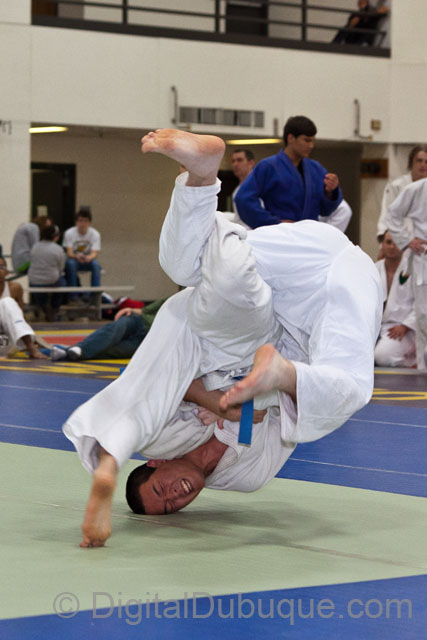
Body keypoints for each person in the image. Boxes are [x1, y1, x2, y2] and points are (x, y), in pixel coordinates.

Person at [62, 129, 381, 548]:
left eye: (161, 491)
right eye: (172, 508)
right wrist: (257, 398)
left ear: (154, 464)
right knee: (352, 385)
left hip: (295, 266)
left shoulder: (166, 439)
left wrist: (212, 401)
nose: (175, 497)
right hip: (319, 309)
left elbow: (149, 386)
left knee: (201, 276)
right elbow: (282, 420)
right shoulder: (246, 476)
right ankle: (281, 373)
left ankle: (201, 176)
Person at [234, 116, 342, 228]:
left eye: (313, 141)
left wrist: (330, 192)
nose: (311, 146)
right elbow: (243, 199)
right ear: (291, 138)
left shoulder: (316, 169)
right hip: (280, 233)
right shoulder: (268, 166)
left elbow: (325, 210)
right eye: (306, 140)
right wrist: (272, 222)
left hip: (309, 233)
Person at [386, 178, 427, 369]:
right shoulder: (417, 189)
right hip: (423, 257)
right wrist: (407, 239)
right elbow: (392, 213)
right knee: (424, 317)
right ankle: (424, 370)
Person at [51, 299, 166, 361]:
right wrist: (131, 310)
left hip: (148, 341)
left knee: (113, 351)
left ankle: (68, 352)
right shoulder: (173, 299)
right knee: (113, 331)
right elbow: (145, 310)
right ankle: (76, 349)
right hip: (139, 321)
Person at [374, 232, 416, 368]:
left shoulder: (414, 269)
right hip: (379, 327)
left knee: (382, 356)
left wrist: (406, 326)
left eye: (397, 243)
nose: (392, 246)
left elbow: (423, 302)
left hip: (406, 328)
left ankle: (413, 362)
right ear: (382, 245)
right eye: (388, 242)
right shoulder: (374, 268)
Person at [377, 145, 427, 242]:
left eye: (426, 162)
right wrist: (384, 238)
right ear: (411, 162)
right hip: (399, 240)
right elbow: (387, 213)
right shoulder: (397, 186)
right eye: (419, 160)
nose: (423, 165)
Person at [0, 256, 47, 359]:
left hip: (6, 340)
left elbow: (20, 317)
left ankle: (30, 346)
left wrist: (30, 338)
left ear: (7, 272)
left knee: (7, 301)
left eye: (1, 267)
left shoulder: (14, 288)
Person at [28, 225, 66, 322]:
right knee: (62, 283)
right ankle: (55, 308)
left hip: (34, 280)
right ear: (55, 236)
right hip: (52, 279)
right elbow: (61, 268)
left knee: (37, 286)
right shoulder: (58, 249)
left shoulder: (35, 246)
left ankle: (44, 306)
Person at [63, 207, 101, 300]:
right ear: (76, 222)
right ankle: (73, 295)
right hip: (74, 259)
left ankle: (95, 295)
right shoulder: (69, 233)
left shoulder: (95, 234)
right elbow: (69, 252)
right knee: (70, 264)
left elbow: (94, 253)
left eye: (85, 221)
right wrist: (77, 256)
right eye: (80, 221)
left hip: (88, 260)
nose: (83, 224)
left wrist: (89, 257)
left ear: (90, 223)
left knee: (96, 265)